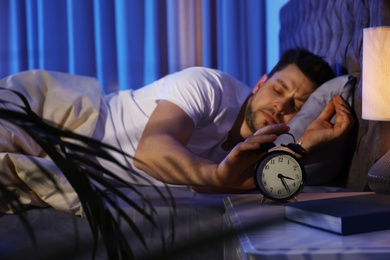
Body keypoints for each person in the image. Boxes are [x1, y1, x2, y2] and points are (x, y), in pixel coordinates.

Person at [0, 48, 353, 197]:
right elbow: (151, 151)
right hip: (67, 119)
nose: (281, 104)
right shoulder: (210, 86)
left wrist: (306, 143)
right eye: (278, 88)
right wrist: (215, 175)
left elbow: (260, 183)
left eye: (298, 105)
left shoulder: (265, 145)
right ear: (260, 83)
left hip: (79, 164)